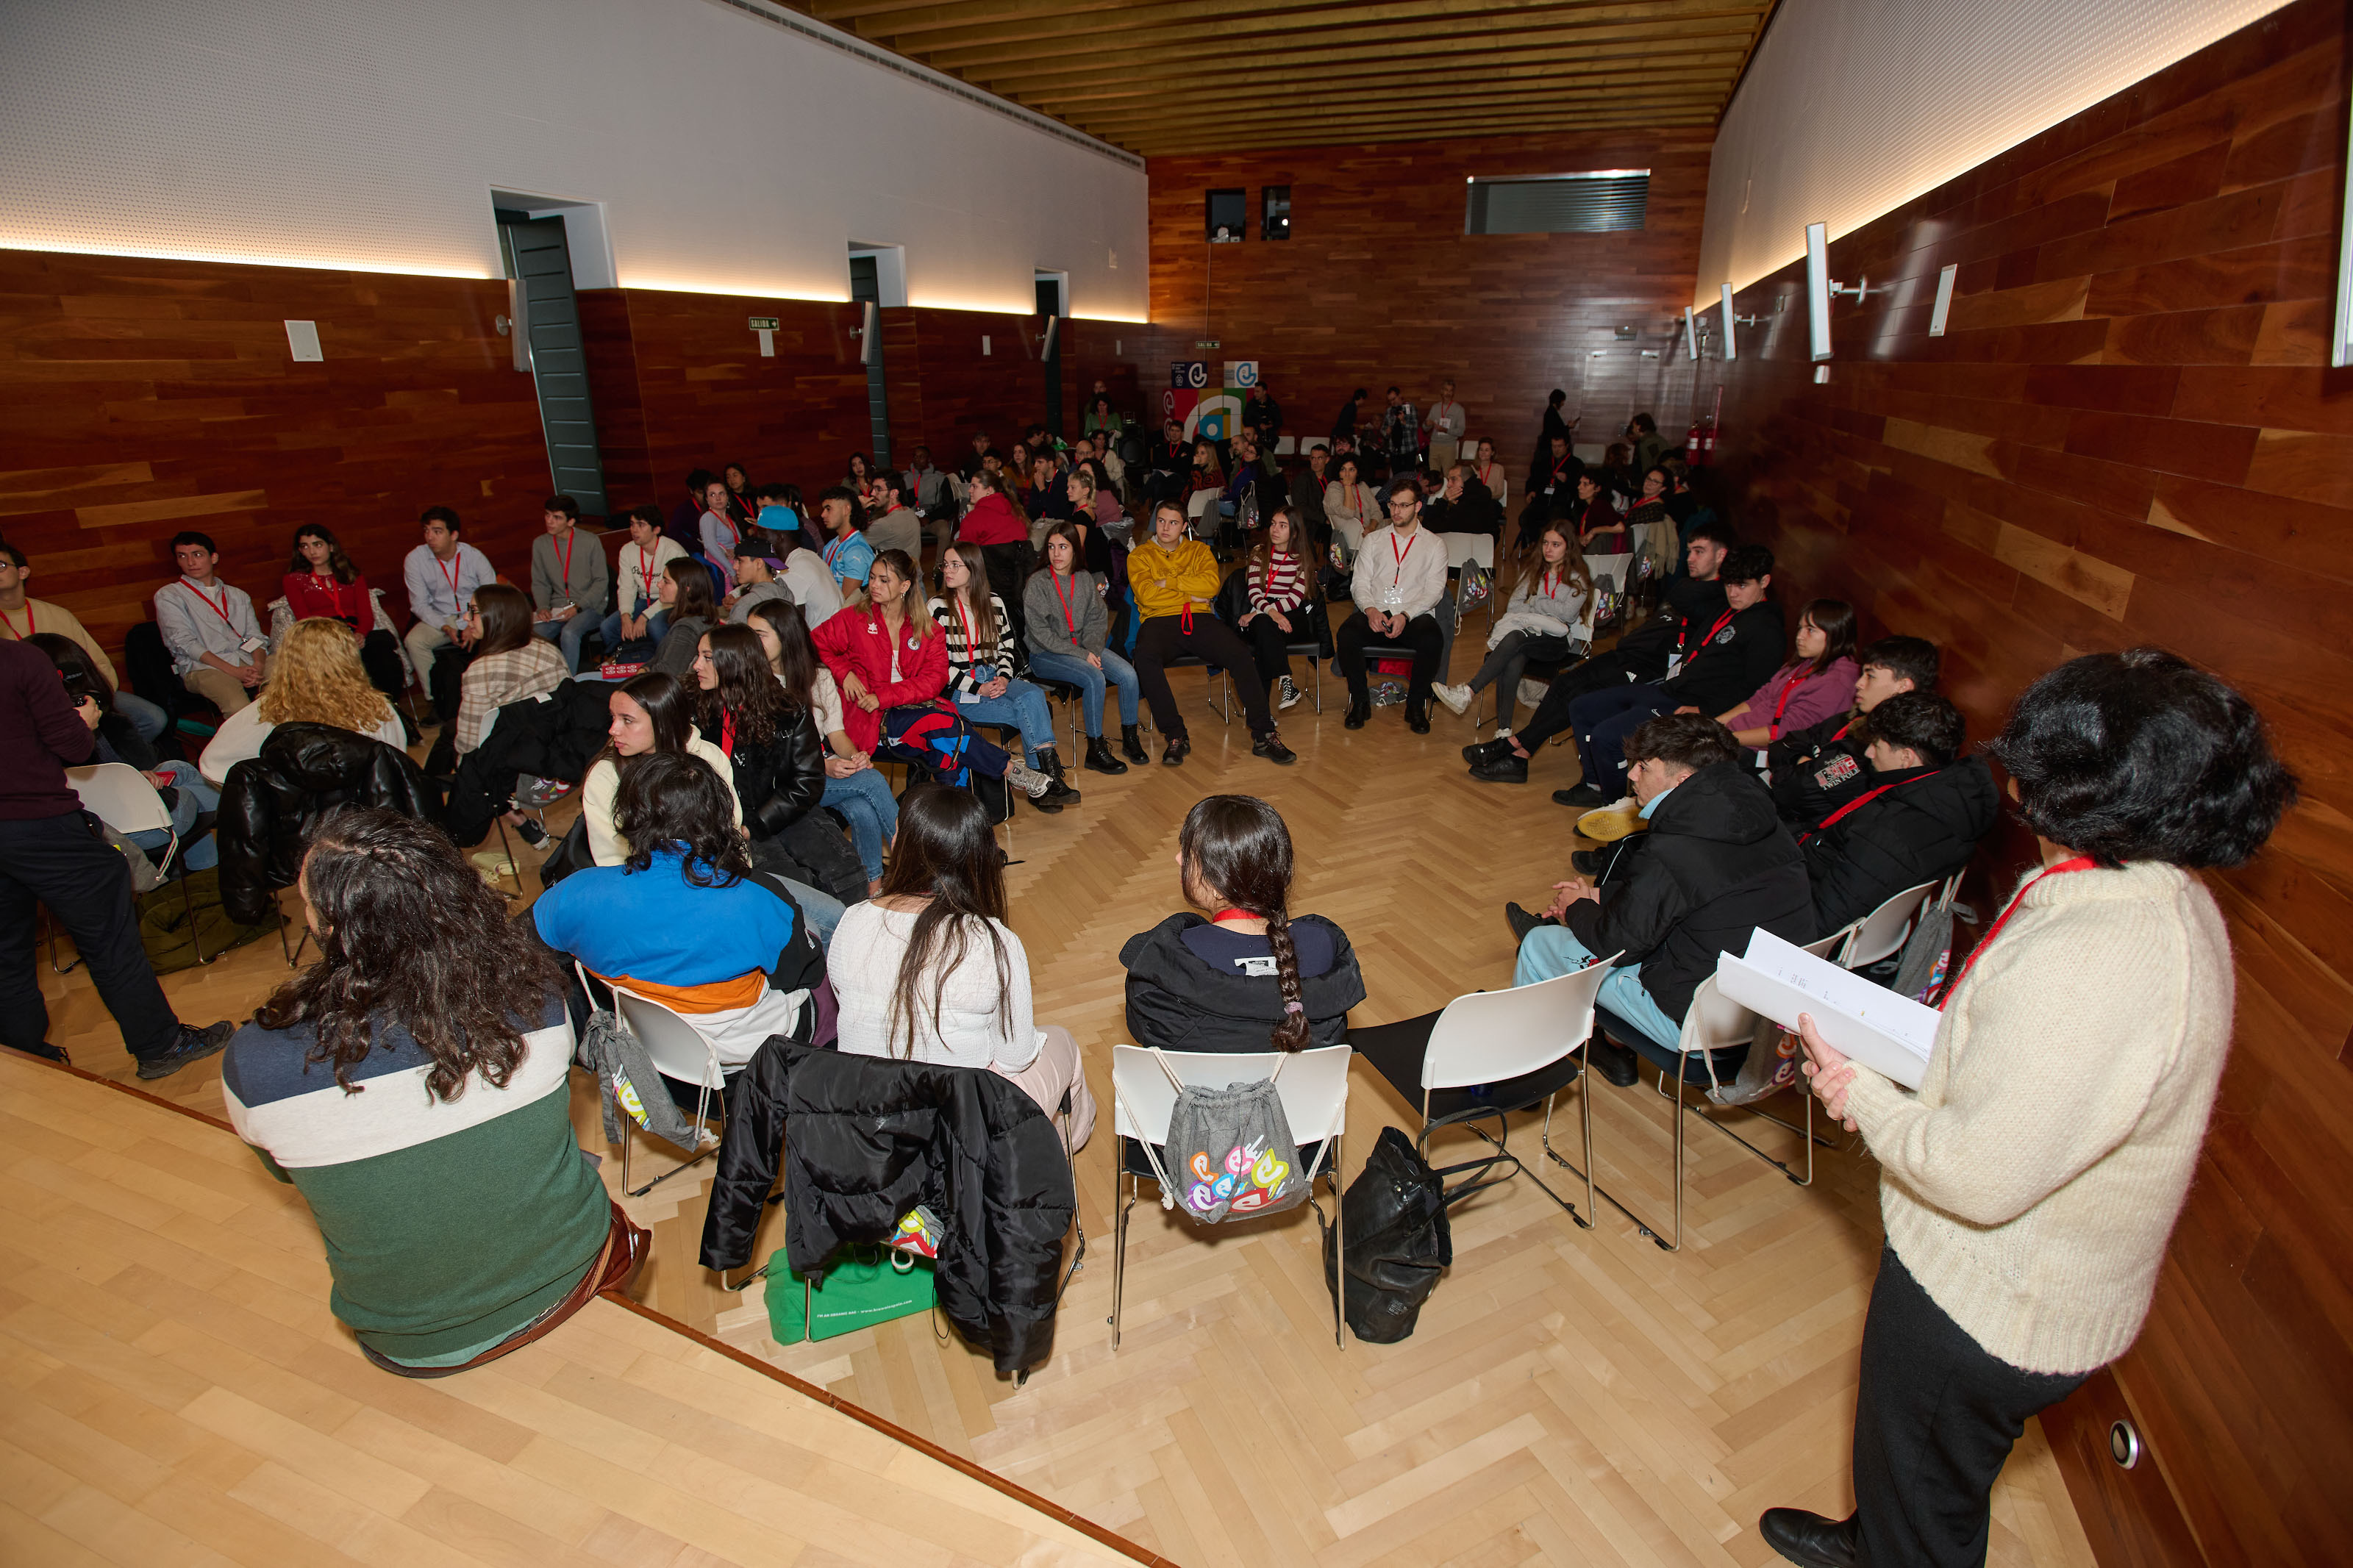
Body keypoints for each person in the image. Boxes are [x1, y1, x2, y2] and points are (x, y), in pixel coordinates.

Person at [1765, 648, 2295, 1568]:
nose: (2010, 779)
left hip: (1988, 1305)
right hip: (2017, 1286)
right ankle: (1872, 1536)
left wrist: (1856, 1093)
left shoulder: (2100, 957)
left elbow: (1975, 1174)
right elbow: (2021, 1069)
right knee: (1918, 1474)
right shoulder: (2144, 889)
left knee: (1926, 1505)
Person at [224, 807, 637, 1375]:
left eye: (307, 904)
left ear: (332, 927)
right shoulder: (537, 1000)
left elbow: (284, 1170)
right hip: (570, 1276)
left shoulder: (253, 1065)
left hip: (407, 1339)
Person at [1511, 712, 1813, 1077]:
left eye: (1643, 767)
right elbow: (1690, 888)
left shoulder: (1676, 845)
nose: (1631, 775)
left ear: (1681, 779)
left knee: (1540, 944)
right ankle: (1604, 1044)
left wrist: (1575, 908)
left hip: (1699, 1028)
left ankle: (1526, 1071)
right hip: (1770, 1019)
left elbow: (1617, 947)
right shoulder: (1760, 820)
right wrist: (1598, 896)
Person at [0, 639, 235, 1076]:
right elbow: (73, 748)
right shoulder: (18, 660)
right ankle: (159, 1043)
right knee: (109, 937)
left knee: (6, 953)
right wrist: (83, 719)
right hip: (37, 822)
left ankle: (24, 1054)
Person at [830, 784, 1094, 1141]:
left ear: (899, 845)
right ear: (983, 857)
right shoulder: (995, 941)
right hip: (959, 1132)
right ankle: (1046, 1172)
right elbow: (1015, 1058)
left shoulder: (851, 920)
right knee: (1062, 1044)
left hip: (866, 1123)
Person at [537, 751, 818, 1068]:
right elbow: (802, 974)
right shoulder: (760, 899)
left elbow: (523, 946)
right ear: (720, 818)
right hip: (747, 1064)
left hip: (646, 1057)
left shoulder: (575, 893)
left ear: (628, 815)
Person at [1468, 521, 1735, 785]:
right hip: (1627, 653)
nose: (1690, 559)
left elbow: (1686, 606)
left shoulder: (1721, 598)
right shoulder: (1690, 587)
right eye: (1690, 551)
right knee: (1565, 683)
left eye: (1699, 551)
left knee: (1581, 698)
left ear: (1721, 555)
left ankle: (1516, 749)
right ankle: (1519, 753)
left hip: (1650, 667)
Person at [1121, 794, 1365, 1053]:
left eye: (1188, 854)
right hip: (1302, 1093)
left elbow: (1147, 1032)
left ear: (1216, 885)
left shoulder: (1163, 961)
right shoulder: (1324, 945)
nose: (1178, 859)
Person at [810, 549, 1055, 807]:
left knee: (947, 750)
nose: (874, 585)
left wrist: (884, 695)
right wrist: (844, 673)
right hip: (870, 719)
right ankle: (1010, 773)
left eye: (884, 580)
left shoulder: (925, 628)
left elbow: (935, 680)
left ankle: (961, 832)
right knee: (946, 729)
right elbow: (812, 644)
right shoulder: (854, 619)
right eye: (872, 578)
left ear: (905, 585)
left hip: (912, 711)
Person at [1554, 544, 1786, 807]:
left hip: (1692, 706)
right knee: (1582, 707)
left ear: (1764, 582)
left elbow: (1754, 690)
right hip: (1671, 690)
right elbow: (1682, 597)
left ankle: (1615, 809)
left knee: (1607, 737)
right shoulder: (1729, 609)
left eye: (1742, 586)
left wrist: (1705, 710)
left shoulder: (1767, 630)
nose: (1733, 593)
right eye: (1729, 584)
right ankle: (1595, 785)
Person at [688, 623, 852, 928]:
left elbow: (808, 781)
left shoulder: (787, 708)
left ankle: (857, 942)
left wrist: (756, 823)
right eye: (698, 656)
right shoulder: (691, 706)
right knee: (790, 891)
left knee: (845, 872)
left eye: (707, 657)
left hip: (778, 810)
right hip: (722, 823)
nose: (697, 665)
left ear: (734, 662)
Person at [1800, 691, 1996, 937]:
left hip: (1801, 905)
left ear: (1906, 758)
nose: (1869, 753)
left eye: (1877, 745)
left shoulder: (1888, 834)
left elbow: (1819, 924)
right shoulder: (1951, 795)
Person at [28, 631, 217, 870]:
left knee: (177, 768)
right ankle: (218, 862)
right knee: (189, 793)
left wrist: (139, 777)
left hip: (99, 825)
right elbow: (117, 775)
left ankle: (208, 868)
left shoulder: (26, 729)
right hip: (130, 828)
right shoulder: (86, 730)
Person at [1128, 501, 1296, 768]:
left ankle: (1264, 734)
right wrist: (1190, 591)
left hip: (1199, 618)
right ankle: (1176, 735)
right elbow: (1147, 595)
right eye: (1161, 521)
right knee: (1144, 658)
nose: (1165, 528)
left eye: (1173, 522)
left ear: (1184, 526)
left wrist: (1169, 582)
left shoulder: (1199, 550)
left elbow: (1210, 587)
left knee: (1240, 654)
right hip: (1159, 620)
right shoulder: (1139, 556)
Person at [748, 597, 895, 898]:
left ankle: (872, 887)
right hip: (786, 785)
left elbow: (837, 735)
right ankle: (915, 855)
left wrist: (855, 757)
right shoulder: (753, 683)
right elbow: (770, 757)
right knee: (871, 781)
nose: (751, 642)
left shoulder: (820, 676)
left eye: (760, 635)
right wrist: (823, 765)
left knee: (862, 805)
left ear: (786, 637)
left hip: (818, 770)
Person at [930, 543, 1080, 808]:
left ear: (973, 568)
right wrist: (979, 688)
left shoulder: (994, 601)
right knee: (1026, 712)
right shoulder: (937, 607)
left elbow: (1007, 646)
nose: (947, 571)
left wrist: (1004, 677)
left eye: (955, 565)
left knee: (1033, 694)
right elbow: (939, 665)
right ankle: (1046, 783)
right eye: (945, 564)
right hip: (962, 688)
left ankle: (1044, 782)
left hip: (996, 675)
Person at [198, 617, 407, 787]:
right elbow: (395, 768)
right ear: (349, 657)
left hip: (298, 822)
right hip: (364, 817)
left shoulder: (269, 709)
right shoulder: (378, 709)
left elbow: (212, 763)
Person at [1431, 516, 1589, 737]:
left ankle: (1469, 691)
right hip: (1527, 635)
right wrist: (1542, 609)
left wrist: (1534, 602)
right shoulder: (1533, 572)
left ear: (1568, 547)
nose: (1548, 549)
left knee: (1515, 638)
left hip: (1555, 642)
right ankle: (1504, 730)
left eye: (1556, 544)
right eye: (1545, 543)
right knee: (1514, 655)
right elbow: (1514, 606)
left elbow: (1567, 614)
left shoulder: (1577, 579)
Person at [0, 543, 165, 744]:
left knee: (152, 718)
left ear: (23, 572)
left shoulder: (58, 614)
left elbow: (99, 664)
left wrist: (95, 698)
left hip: (81, 696)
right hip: (28, 708)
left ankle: (121, 768)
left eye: (1, 565)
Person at [1771, 634, 1942, 828]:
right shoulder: (1854, 717)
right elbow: (1785, 744)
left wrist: (1802, 762)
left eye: (1870, 676)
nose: (1859, 684)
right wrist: (1805, 764)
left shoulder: (1881, 750)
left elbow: (1794, 792)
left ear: (1902, 687)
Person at [580, 671, 739, 864]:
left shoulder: (709, 758)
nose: (613, 730)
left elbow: (732, 830)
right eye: (613, 717)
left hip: (711, 875)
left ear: (662, 721)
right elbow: (612, 859)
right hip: (642, 884)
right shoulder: (605, 774)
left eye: (627, 720)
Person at [1024, 521, 1142, 773]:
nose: (1057, 554)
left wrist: (1093, 651)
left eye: (1063, 547)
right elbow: (1041, 634)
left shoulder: (1085, 579)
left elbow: (1098, 620)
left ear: (1075, 550)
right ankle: (1095, 749)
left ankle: (1130, 738)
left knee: (1128, 675)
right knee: (1094, 677)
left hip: (1085, 647)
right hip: (1046, 654)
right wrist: (1083, 655)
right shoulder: (1038, 582)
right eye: (1052, 547)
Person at [1338, 477, 1448, 735]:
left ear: (1418, 506)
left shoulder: (1434, 545)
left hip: (1414, 613)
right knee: (1347, 634)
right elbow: (1360, 583)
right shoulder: (1374, 540)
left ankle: (1416, 705)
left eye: (1404, 505)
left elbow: (1434, 591)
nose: (1396, 511)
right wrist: (1370, 610)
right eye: (1392, 505)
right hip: (1377, 610)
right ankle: (1361, 701)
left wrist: (1406, 615)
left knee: (1432, 639)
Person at [281, 524, 409, 723]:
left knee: (386, 660)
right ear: (299, 551)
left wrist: (360, 634)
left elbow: (366, 614)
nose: (312, 551)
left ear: (331, 546)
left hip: (355, 632)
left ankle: (389, 715)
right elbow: (304, 619)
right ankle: (358, 719)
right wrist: (337, 640)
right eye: (305, 546)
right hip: (324, 636)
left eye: (317, 544)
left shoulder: (351, 575)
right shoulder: (294, 580)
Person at [1718, 599, 1860, 749]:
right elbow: (1761, 697)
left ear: (1835, 633)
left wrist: (1723, 739)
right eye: (1801, 628)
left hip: (1755, 750)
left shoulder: (1836, 683)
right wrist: (1715, 725)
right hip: (1736, 733)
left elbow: (1786, 733)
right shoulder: (1806, 661)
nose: (1800, 636)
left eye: (1810, 630)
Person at [157, 531, 271, 717]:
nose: (191, 562)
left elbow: (256, 637)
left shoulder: (237, 595)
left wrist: (258, 664)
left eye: (197, 555)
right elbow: (185, 643)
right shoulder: (170, 595)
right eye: (182, 556)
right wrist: (235, 671)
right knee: (238, 708)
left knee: (289, 683)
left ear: (214, 557)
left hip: (247, 659)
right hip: (204, 668)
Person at [452, 584, 568, 759]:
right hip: (556, 750)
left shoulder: (481, 671)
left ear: (497, 616)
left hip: (508, 763)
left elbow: (469, 745)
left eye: (473, 610)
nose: (467, 617)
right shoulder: (549, 650)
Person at [400, 507, 496, 716]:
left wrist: (473, 625)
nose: (430, 537)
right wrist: (445, 626)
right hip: (441, 617)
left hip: (474, 615)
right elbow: (419, 605)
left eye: (437, 531)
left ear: (454, 535)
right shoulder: (415, 559)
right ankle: (437, 699)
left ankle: (489, 695)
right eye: (426, 531)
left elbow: (491, 596)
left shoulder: (474, 557)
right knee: (414, 642)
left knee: (499, 633)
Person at [1236, 506, 1313, 712]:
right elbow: (1254, 592)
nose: (1274, 530)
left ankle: (1260, 713)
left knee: (1263, 629)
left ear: (1295, 532)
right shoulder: (1259, 553)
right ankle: (1286, 679)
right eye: (1272, 524)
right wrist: (1269, 613)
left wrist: (1259, 612)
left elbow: (1295, 599)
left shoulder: (1302, 558)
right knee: (1265, 630)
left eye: (1282, 526)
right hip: (1265, 613)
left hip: (1292, 615)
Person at [529, 495, 611, 675]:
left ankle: (569, 683)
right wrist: (543, 606)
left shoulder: (590, 542)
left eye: (556, 517)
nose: (549, 521)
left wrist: (578, 607)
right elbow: (540, 582)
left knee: (569, 633)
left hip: (589, 607)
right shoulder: (540, 544)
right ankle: (543, 681)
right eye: (547, 515)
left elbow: (601, 581)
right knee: (533, 634)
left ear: (571, 521)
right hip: (557, 608)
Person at [603, 504, 685, 662]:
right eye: (632, 524)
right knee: (608, 628)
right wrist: (626, 615)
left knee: (655, 625)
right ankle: (625, 657)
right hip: (643, 600)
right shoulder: (627, 550)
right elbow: (626, 588)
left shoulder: (673, 551)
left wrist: (645, 616)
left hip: (671, 601)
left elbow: (676, 593)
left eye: (641, 525)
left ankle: (667, 663)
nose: (634, 529)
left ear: (656, 529)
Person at [649, 557, 718, 681]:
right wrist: (645, 668)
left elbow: (669, 673)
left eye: (666, 581)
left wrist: (643, 675)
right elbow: (658, 661)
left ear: (687, 590)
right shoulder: (698, 617)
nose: (659, 585)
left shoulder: (687, 628)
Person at [1422, 460, 1502, 539]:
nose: (1449, 485)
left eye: (1453, 479)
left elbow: (1429, 527)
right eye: (1448, 480)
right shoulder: (1481, 495)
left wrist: (1444, 500)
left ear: (1467, 480)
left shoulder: (1469, 503)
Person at [1322, 451, 1379, 556]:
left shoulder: (1362, 486)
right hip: (1348, 544)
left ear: (1358, 472)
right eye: (1343, 469)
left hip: (1370, 535)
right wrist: (1347, 486)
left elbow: (1377, 511)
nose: (1347, 474)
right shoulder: (1334, 487)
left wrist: (1371, 527)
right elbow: (1348, 513)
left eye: (1352, 470)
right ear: (1338, 472)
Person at [724, 543, 793, 626]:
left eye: (740, 561)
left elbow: (735, 638)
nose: (735, 567)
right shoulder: (785, 592)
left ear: (759, 563)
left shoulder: (747, 603)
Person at [697, 476, 743, 598]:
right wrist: (731, 570)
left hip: (736, 565)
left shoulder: (730, 518)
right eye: (712, 495)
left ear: (727, 497)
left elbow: (738, 542)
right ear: (706, 500)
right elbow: (710, 545)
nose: (718, 498)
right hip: (724, 571)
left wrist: (736, 551)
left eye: (721, 493)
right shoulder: (708, 518)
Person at [864, 470, 924, 564]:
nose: (872, 493)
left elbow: (852, 542)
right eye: (873, 488)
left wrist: (859, 510)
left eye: (878, 489)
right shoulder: (909, 512)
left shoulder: (884, 524)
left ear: (894, 493)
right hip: (914, 573)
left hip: (895, 575)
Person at [1529, 390, 1574, 490]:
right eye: (1562, 401)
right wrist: (1568, 427)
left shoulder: (1551, 412)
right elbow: (1555, 432)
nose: (1563, 403)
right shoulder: (1551, 413)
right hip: (1547, 449)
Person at [1422, 379, 1465, 470]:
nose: (1448, 393)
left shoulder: (1459, 409)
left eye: (1451, 391)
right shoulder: (1435, 407)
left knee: (1448, 475)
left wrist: (1446, 430)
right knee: (1433, 476)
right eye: (1446, 390)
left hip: (1449, 447)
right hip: (1434, 446)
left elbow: (1461, 432)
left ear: (1453, 393)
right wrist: (1427, 424)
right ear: (1442, 391)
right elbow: (1425, 428)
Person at [1469, 436, 1510, 516]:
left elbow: (1500, 492)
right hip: (1476, 502)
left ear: (1492, 453)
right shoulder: (1471, 468)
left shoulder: (1499, 468)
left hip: (1492, 501)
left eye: (1487, 450)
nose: (1483, 453)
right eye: (1481, 450)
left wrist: (1485, 497)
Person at [1629, 412, 1665, 479]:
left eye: (1633, 427)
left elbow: (1647, 466)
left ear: (1638, 427)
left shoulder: (1646, 443)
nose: (1632, 429)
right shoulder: (1656, 438)